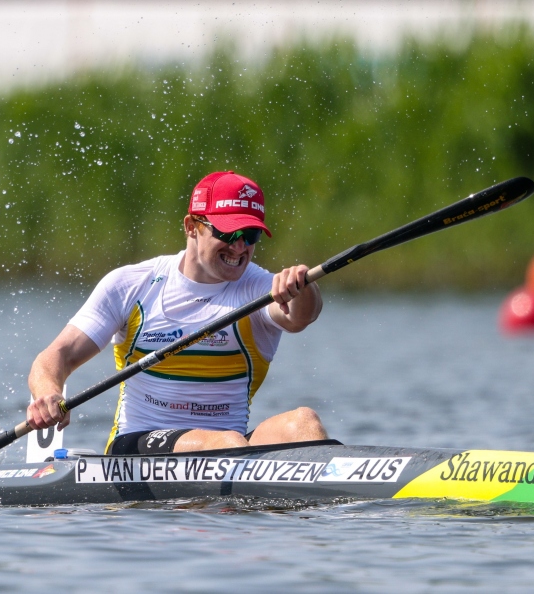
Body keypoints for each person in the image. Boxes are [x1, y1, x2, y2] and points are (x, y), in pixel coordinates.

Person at [26, 171, 328, 455]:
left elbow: (300, 316)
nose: (239, 247)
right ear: (191, 226)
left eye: (250, 234)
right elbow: (56, 357)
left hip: (231, 447)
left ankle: (331, 498)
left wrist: (303, 287)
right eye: (228, 231)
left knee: (304, 423)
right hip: (136, 447)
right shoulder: (132, 284)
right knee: (227, 443)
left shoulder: (258, 287)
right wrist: (48, 394)